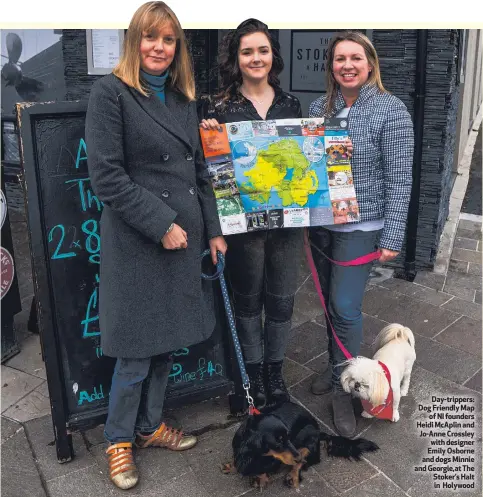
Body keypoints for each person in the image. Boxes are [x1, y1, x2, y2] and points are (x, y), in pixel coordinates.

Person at [85, 1, 227, 490]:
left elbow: (200, 174)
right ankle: (118, 440)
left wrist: (213, 230)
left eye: (168, 40)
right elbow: (106, 176)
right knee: (135, 350)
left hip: (186, 240)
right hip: (139, 240)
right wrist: (161, 222)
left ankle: (149, 428)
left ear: (177, 47)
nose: (159, 48)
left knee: (167, 342)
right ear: (134, 41)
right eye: (150, 37)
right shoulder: (110, 93)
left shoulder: (186, 99)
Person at [200, 19, 352, 411]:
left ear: (273, 55)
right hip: (244, 230)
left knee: (282, 302)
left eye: (263, 50)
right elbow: (208, 171)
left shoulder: (290, 105)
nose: (256, 58)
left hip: (286, 227)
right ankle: (250, 374)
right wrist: (209, 134)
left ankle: (274, 373)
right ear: (236, 57)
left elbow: (305, 163)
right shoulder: (217, 107)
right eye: (247, 51)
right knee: (247, 301)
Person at [307, 31, 414, 438]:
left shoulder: (391, 109)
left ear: (370, 64)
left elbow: (400, 178)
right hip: (321, 226)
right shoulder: (320, 107)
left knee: (345, 307)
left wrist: (392, 235)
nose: (346, 65)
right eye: (339, 59)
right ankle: (337, 367)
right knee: (329, 306)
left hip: (362, 227)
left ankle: (345, 389)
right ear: (331, 66)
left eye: (355, 57)